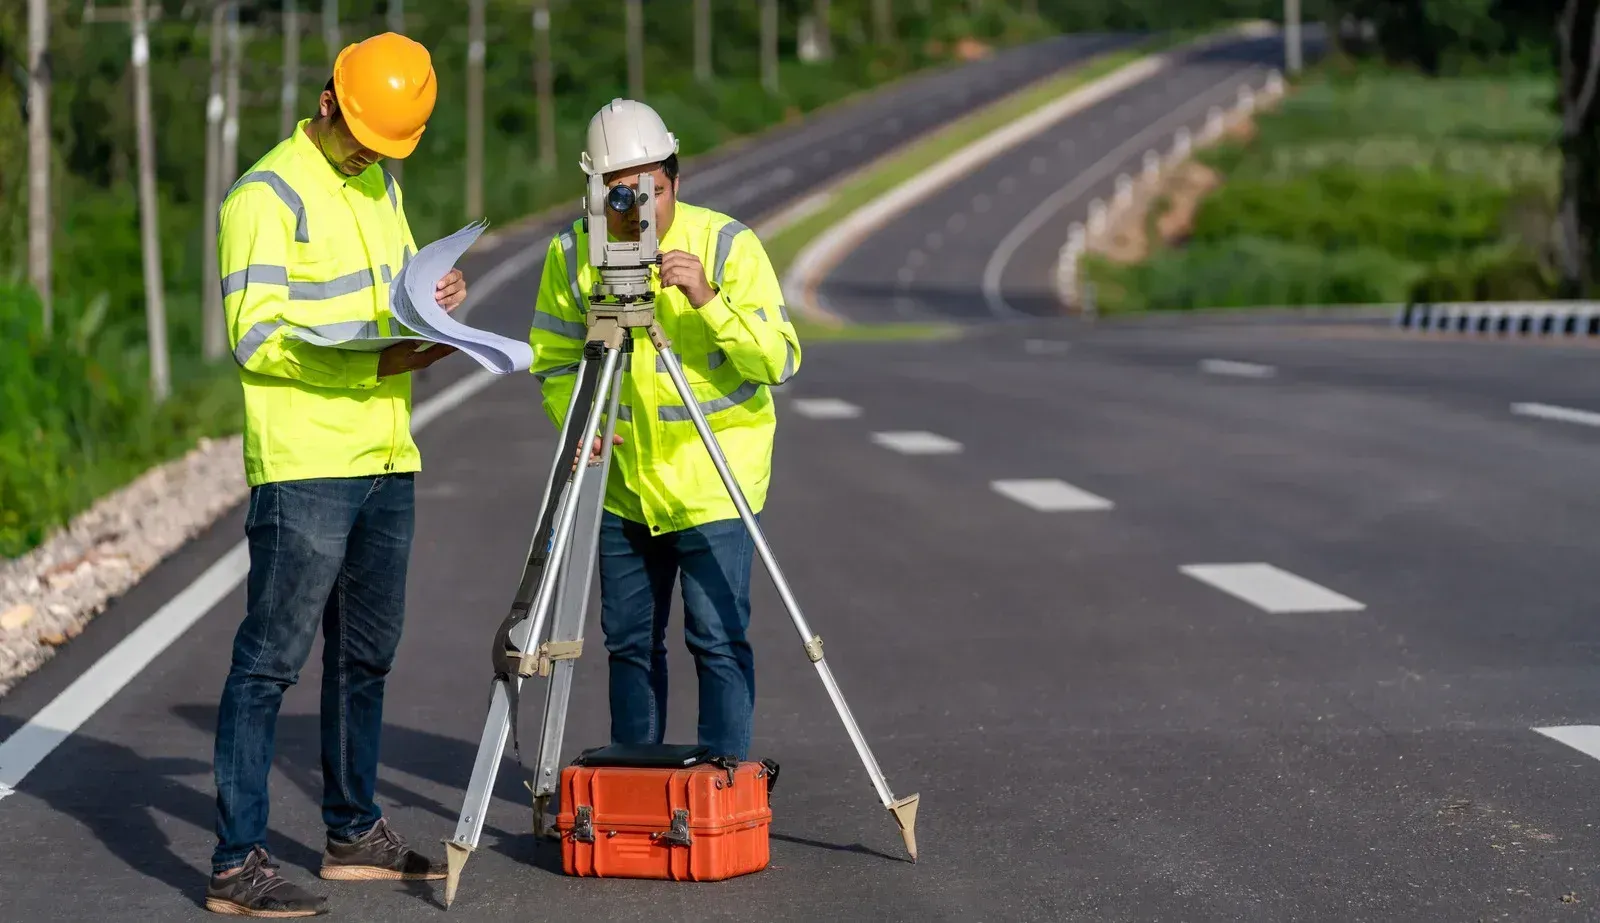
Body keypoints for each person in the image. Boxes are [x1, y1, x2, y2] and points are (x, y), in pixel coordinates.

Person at [207, 32, 465, 918]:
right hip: (307, 462)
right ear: (329, 101)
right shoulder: (264, 195)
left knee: (367, 656)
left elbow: (388, 296)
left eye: (386, 147)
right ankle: (236, 863)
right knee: (268, 663)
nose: (371, 155)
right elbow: (255, 336)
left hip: (386, 451)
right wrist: (369, 358)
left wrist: (432, 310)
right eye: (364, 138)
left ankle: (353, 830)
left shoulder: (381, 185)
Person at [527, 99, 802, 765]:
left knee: (716, 636)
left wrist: (708, 301)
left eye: (654, 188)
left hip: (714, 486)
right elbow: (554, 360)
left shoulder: (728, 245)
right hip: (622, 489)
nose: (642, 205)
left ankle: (725, 783)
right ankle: (636, 781)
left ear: (678, 180)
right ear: (596, 192)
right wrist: (577, 424)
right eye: (623, 192)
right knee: (628, 641)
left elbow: (779, 359)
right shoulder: (573, 255)